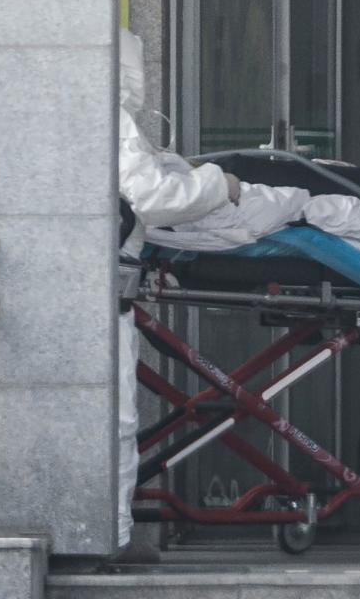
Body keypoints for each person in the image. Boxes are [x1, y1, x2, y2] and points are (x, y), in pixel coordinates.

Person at [116, 27, 240, 551]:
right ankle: (111, 534)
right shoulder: (112, 121)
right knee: (115, 415)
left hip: (92, 280)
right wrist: (219, 183)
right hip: (104, 288)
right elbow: (156, 199)